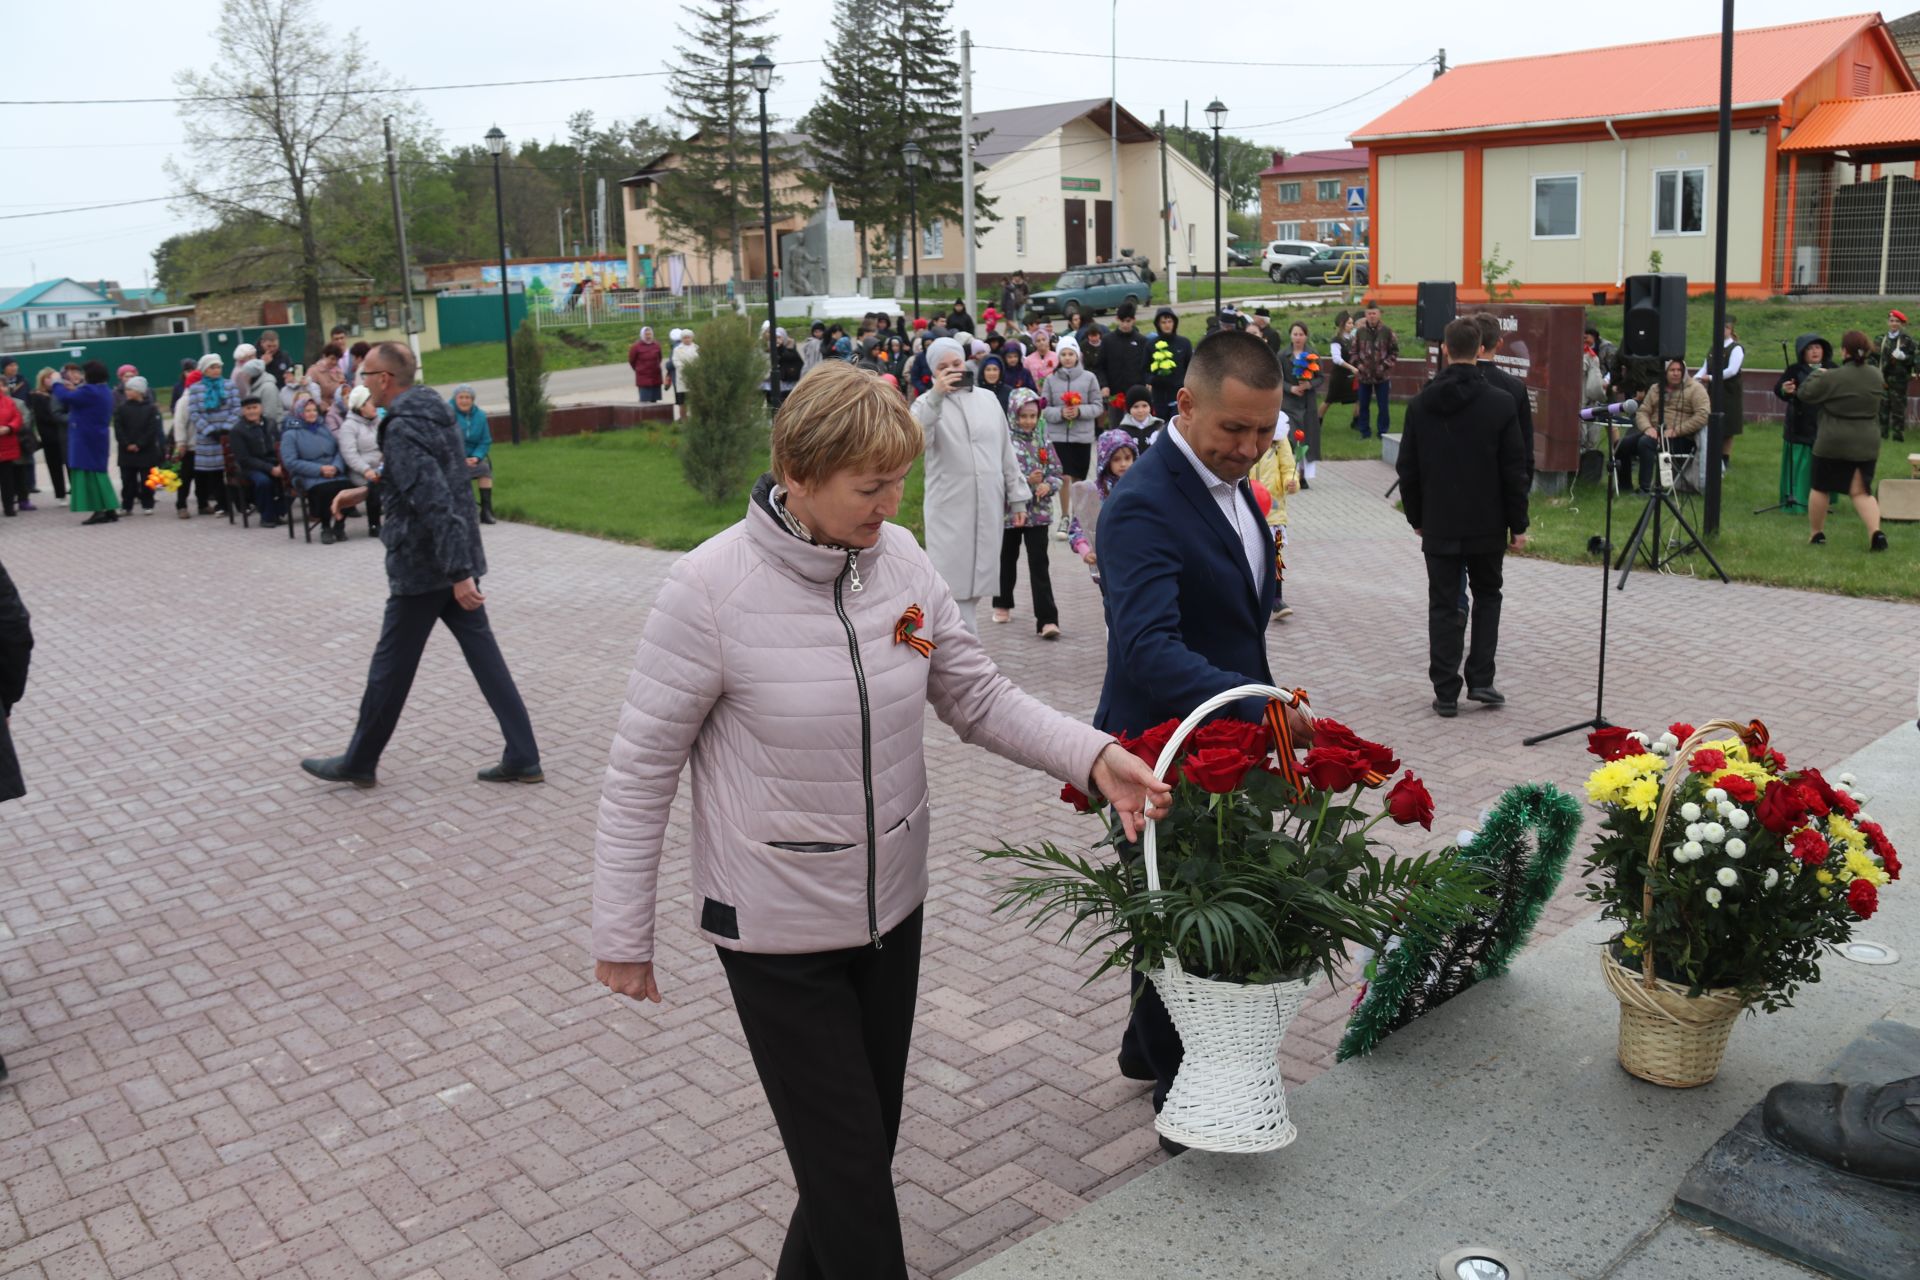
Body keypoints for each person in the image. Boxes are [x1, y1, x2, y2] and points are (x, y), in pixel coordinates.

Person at [590, 361, 1168, 1278]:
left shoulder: (898, 567)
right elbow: (639, 773)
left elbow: (973, 692)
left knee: (854, 1157)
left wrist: (1093, 757)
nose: (892, 502)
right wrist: (624, 932)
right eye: (870, 486)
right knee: (852, 1173)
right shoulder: (706, 591)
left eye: (901, 479)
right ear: (798, 474)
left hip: (891, 911)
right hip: (776, 928)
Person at [1094, 328, 1314, 1152]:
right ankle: (1188, 1122)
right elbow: (1148, 648)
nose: (1252, 450)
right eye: (1234, 431)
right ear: (1184, 406)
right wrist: (1258, 708)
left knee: (1179, 918)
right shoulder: (1143, 503)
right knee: (1195, 931)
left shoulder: (1236, 485)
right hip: (1157, 751)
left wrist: (1257, 708)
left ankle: (1144, 1047)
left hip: (1222, 743)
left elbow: (1235, 623)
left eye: (1267, 432)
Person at [301, 342, 541, 788]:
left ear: (384, 380)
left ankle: (359, 760)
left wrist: (457, 575)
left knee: (389, 668)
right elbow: (423, 478)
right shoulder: (433, 410)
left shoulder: (402, 426)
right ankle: (523, 755)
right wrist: (365, 492)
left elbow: (433, 498)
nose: (360, 381)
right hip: (454, 560)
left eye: (366, 374)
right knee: (486, 660)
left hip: (427, 569)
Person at [1395, 317, 1529, 719]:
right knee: (1488, 596)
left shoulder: (1421, 404)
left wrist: (1416, 517)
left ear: (1446, 350)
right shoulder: (1502, 403)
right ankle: (1482, 679)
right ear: (1483, 348)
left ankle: (1446, 691)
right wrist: (1518, 524)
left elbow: (1408, 468)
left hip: (1439, 521)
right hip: (1488, 522)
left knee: (1443, 602)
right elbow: (1514, 470)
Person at [911, 337, 1033, 633]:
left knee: (977, 584)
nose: (953, 370)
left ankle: (958, 652)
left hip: (987, 506)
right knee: (952, 586)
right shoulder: (925, 404)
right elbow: (917, 441)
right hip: (950, 509)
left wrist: (1017, 498)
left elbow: (1006, 450)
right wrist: (937, 396)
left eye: (956, 363)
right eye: (943, 367)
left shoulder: (988, 399)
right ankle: (966, 655)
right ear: (933, 372)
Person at [1797, 330, 1889, 551]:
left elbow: (1805, 394)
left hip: (1832, 440)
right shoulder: (1876, 375)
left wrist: (1818, 374)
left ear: (1844, 351)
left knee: (1821, 487)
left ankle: (1816, 534)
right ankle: (1875, 533)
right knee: (1861, 492)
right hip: (1866, 441)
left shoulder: (1831, 376)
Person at [992, 389, 1062, 636]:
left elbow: (1056, 472)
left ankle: (1047, 620)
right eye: (1024, 416)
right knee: (1007, 559)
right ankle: (1002, 602)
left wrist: (1048, 484)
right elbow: (998, 478)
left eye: (1033, 416)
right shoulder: (1004, 443)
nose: (1029, 421)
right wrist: (1026, 481)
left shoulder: (1043, 439)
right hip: (1010, 514)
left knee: (1039, 565)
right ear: (1013, 415)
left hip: (1039, 514)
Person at [1066, 428, 1137, 599]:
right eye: (1116, 459)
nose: (1123, 464)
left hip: (1137, 561)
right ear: (1105, 461)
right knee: (1113, 607)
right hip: (1107, 563)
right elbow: (1077, 527)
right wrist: (1085, 550)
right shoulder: (1096, 492)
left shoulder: (1142, 486)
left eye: (1128, 458)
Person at [1618, 358, 1708, 494]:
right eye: (1672, 370)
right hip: (1654, 432)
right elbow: (1643, 411)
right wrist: (1647, 428)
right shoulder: (1656, 388)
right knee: (1621, 445)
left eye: (1679, 370)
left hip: (1681, 438)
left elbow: (1703, 415)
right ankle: (1624, 485)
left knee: (1645, 443)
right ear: (1665, 372)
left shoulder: (1696, 389)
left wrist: (1676, 431)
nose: (1676, 373)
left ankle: (1645, 489)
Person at [1042, 338, 1102, 533]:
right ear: (1058, 356)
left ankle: (1078, 518)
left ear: (1077, 356)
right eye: (1063, 354)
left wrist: (1079, 411)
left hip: (1082, 437)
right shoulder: (1051, 379)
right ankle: (1064, 517)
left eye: (1071, 354)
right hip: (1059, 437)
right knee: (1063, 478)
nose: (1067, 358)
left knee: (1078, 479)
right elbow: (1043, 408)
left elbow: (1098, 406)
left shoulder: (1089, 378)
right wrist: (1060, 413)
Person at [1473, 312, 1535, 488]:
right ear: (1499, 343)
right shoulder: (1514, 387)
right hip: (1501, 479)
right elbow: (1525, 442)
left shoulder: (1447, 385)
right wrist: (1524, 484)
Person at [53, 362, 119, 526]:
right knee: (99, 473)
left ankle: (99, 510)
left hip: (85, 437)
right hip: (97, 436)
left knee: (89, 474)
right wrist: (72, 388)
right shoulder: (103, 390)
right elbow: (78, 396)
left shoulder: (89, 391)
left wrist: (56, 382)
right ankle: (109, 508)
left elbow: (65, 397)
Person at [1773, 334, 1831, 515]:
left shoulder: (1832, 368)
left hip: (1825, 423)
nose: (1814, 351)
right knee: (1801, 462)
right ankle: (1797, 499)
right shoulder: (1795, 369)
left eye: (1818, 347)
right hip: (1800, 423)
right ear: (1802, 352)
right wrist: (1786, 389)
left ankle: (1823, 500)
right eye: (1810, 348)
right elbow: (1779, 389)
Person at [1250, 426, 1300, 620]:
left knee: (1276, 552)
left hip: (1274, 510)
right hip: (1248, 504)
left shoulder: (1280, 440)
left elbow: (1289, 468)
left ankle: (1277, 599)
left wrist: (1292, 480)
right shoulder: (1245, 435)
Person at [184, 353, 237, 518]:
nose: (216, 370)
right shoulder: (195, 389)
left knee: (231, 471)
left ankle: (237, 503)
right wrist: (210, 430)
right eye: (212, 367)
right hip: (207, 438)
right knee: (214, 474)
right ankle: (222, 504)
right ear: (204, 370)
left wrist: (226, 428)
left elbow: (236, 408)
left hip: (227, 436)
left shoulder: (230, 385)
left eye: (218, 367)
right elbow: (194, 413)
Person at [226, 391, 286, 528]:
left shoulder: (270, 423)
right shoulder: (238, 430)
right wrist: (270, 469)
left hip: (272, 462)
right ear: (243, 411)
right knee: (264, 482)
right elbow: (244, 458)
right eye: (248, 409)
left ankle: (278, 511)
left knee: (292, 477)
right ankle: (267, 517)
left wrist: (280, 465)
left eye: (255, 407)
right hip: (250, 467)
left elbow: (279, 446)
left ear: (261, 408)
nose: (252, 411)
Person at [1693, 319, 1745, 471]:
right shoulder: (1714, 348)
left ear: (1731, 330)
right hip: (1713, 392)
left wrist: (1710, 378)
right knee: (1712, 424)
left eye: (1726, 327)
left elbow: (1732, 370)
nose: (1723, 330)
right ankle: (1713, 456)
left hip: (1729, 392)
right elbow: (1704, 367)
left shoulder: (1736, 348)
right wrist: (1693, 380)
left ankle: (1725, 458)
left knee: (1728, 427)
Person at [1281, 322, 1327, 485]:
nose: (1298, 338)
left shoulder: (1312, 354)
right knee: (1292, 438)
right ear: (1290, 336)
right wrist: (1291, 388)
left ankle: (1302, 474)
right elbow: (1278, 379)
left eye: (1301, 334)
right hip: (1289, 404)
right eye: (1295, 334)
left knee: (1306, 440)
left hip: (1308, 404)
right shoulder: (1283, 355)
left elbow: (1320, 377)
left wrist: (1309, 384)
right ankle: (1288, 472)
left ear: (1306, 336)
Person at [113, 377, 165, 516]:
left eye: (130, 389)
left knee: (147, 480)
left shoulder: (151, 409)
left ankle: (148, 504)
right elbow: (118, 428)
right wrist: (127, 444)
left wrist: (139, 444)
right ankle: (126, 505)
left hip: (146, 451)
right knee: (127, 481)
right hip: (126, 452)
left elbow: (151, 429)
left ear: (140, 391)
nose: (127, 391)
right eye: (127, 389)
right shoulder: (121, 408)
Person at [338, 386, 385, 536]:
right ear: (361, 407)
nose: (375, 406)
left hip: (381, 467)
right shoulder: (349, 426)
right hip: (359, 471)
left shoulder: (379, 421)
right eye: (371, 403)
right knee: (374, 484)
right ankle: (374, 524)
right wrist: (366, 470)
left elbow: (389, 443)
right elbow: (349, 454)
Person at [1349, 303, 1400, 440]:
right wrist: (1359, 365)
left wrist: (1384, 366)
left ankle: (1382, 432)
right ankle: (1365, 432)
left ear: (1379, 314)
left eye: (1374, 313)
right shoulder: (1359, 332)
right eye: (1369, 313)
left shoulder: (1387, 332)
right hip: (1363, 376)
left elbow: (1394, 352)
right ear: (1366, 315)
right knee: (1363, 405)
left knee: (1383, 406)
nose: (1372, 316)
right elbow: (1353, 352)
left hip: (1382, 376)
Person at [450, 385, 496, 526]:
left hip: (473, 459)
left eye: (468, 397)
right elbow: (445, 440)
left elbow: (485, 440)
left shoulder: (480, 416)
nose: (464, 401)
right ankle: (459, 510)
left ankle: (486, 511)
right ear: (455, 399)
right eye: (461, 397)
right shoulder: (447, 413)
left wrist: (476, 457)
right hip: (452, 458)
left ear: (472, 400)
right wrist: (461, 458)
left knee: (484, 469)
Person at [1103, 302, 1152, 427]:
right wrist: (1104, 385)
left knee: (1137, 428)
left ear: (1134, 320)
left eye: (1128, 321)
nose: (1125, 324)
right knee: (1116, 429)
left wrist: (1148, 381)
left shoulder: (1142, 341)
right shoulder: (1108, 340)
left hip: (1136, 394)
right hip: (1115, 394)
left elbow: (1148, 366)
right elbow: (1100, 366)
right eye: (1122, 321)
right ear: (1117, 320)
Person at [25, 369, 67, 503]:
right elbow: (43, 417)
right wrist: (59, 418)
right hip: (50, 437)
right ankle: (61, 494)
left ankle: (76, 491)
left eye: (52, 377)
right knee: (55, 467)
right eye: (47, 378)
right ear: (42, 380)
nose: (50, 380)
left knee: (71, 465)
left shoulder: (61, 392)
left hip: (65, 435)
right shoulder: (37, 396)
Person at [1873, 308, 1914, 442]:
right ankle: (1882, 435)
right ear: (1888, 322)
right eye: (1892, 321)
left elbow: (1914, 358)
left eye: (1897, 321)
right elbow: (1873, 357)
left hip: (1899, 380)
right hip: (1883, 377)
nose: (1894, 323)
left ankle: (1897, 436)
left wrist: (1904, 357)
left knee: (1898, 408)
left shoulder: (1906, 340)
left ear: (1901, 323)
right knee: (1882, 407)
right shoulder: (1880, 339)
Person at [1145, 308, 1192, 421]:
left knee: (1178, 426)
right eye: (1163, 322)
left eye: (1169, 321)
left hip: (1179, 394)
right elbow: (1145, 370)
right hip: (1159, 396)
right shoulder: (1151, 345)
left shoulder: (1184, 343)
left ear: (1174, 323)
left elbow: (1191, 368)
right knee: (1161, 426)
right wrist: (1153, 380)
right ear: (1158, 324)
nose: (1167, 325)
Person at [1326, 310, 1359, 406]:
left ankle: (1356, 420)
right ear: (1342, 324)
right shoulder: (1336, 340)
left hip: (1351, 376)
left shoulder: (1352, 338)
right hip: (1339, 376)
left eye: (1352, 323)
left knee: (1358, 398)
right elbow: (1336, 359)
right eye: (1349, 323)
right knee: (1329, 401)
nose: (1352, 325)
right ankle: (1318, 420)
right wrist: (1352, 368)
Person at [1117, 385, 1160, 454]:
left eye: (1144, 406)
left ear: (1150, 406)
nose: (1140, 410)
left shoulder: (1159, 427)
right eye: (1136, 407)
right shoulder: (1122, 431)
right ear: (1129, 409)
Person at [628, 326, 665, 403]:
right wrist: (639, 369)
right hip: (643, 377)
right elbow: (632, 361)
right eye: (646, 334)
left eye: (649, 334)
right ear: (642, 335)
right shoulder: (636, 347)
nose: (648, 336)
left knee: (654, 400)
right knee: (644, 400)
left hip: (655, 376)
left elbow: (660, 358)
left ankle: (655, 415)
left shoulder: (656, 345)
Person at [669, 329, 699, 422]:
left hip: (694, 377)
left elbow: (699, 361)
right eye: (684, 338)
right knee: (682, 402)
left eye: (688, 337)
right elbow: (676, 361)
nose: (687, 339)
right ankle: (684, 420)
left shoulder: (697, 348)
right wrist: (685, 368)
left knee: (694, 401)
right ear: (681, 339)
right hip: (682, 378)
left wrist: (694, 368)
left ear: (692, 338)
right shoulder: (677, 349)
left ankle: (695, 420)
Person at [0, 393, 22, 518]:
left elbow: (17, 417)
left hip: (6, 446)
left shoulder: (8, 401)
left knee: (7, 481)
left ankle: (9, 507)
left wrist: (9, 428)